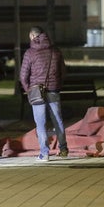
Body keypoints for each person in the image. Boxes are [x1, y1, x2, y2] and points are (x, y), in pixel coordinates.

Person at [20, 26, 68, 162]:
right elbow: (63, 72)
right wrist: (57, 85)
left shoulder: (30, 53)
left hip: (37, 92)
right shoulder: (56, 51)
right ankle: (63, 149)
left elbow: (23, 76)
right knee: (57, 120)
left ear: (32, 36)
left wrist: (29, 89)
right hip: (53, 90)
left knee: (40, 123)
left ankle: (44, 153)